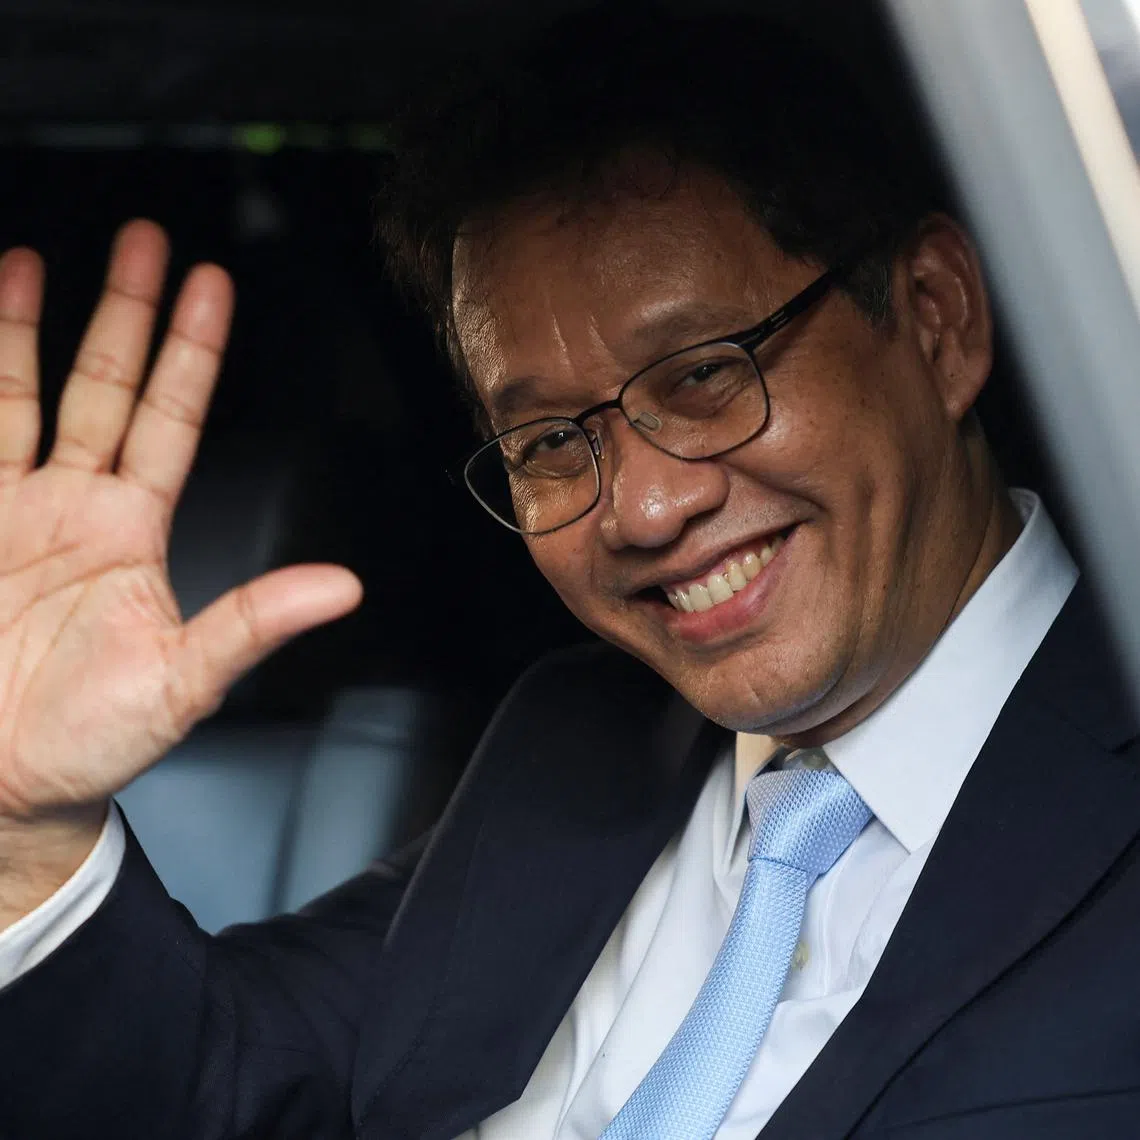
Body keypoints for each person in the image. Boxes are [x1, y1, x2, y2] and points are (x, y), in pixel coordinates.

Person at [1, 5, 1138, 1139]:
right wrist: (32, 833)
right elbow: (232, 1086)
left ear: (936, 321)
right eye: (550, 443)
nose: (643, 507)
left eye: (703, 376)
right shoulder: (575, 744)